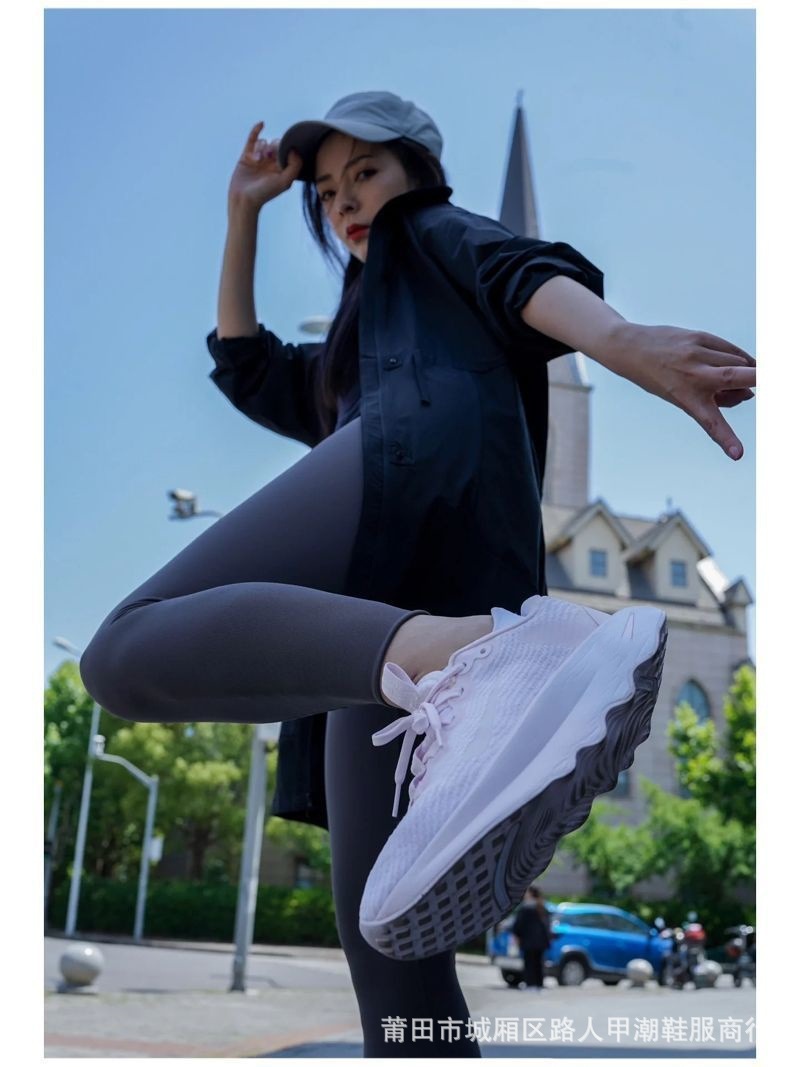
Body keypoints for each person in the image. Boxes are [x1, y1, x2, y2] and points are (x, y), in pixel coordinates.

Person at [78, 91, 755, 1057]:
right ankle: (471, 669)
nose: (347, 202)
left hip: (424, 467)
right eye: (327, 190)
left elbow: (518, 270)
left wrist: (621, 341)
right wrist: (242, 212)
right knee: (392, 946)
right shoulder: (353, 341)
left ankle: (492, 655)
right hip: (395, 620)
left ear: (418, 175)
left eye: (366, 173)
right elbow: (247, 367)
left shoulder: (424, 235)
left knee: (124, 649)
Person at [511, 886, 551, 991]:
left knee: (529, 963)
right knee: (538, 963)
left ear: (531, 894)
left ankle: (530, 984)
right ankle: (539, 984)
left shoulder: (526, 907)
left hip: (528, 941)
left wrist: (517, 935)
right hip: (541, 942)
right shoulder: (543, 907)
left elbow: (518, 924)